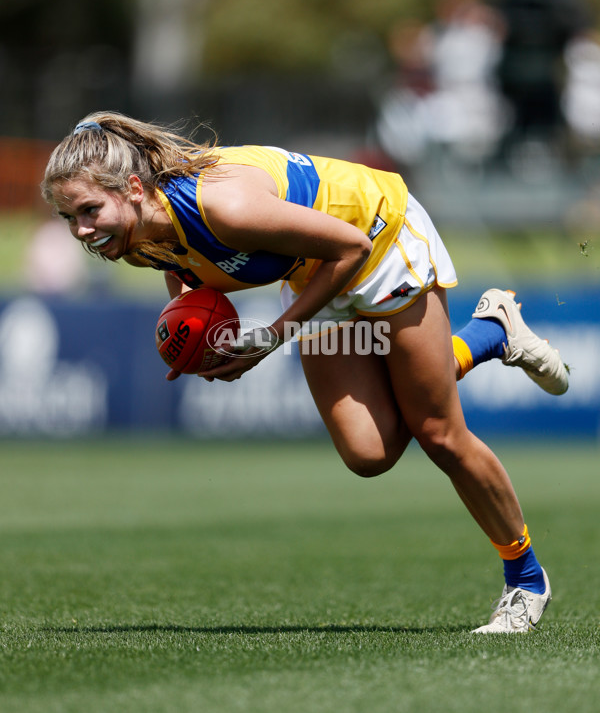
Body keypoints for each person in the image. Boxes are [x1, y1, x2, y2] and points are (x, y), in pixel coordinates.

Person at [41, 112, 569, 632]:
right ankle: (487, 335)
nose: (82, 231)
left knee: (439, 434)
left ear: (133, 188)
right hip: (309, 265)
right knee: (368, 453)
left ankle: (525, 580)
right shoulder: (132, 241)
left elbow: (352, 246)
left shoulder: (223, 206)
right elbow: (183, 276)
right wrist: (192, 344)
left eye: (89, 210)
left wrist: (272, 336)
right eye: (69, 219)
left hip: (378, 236)